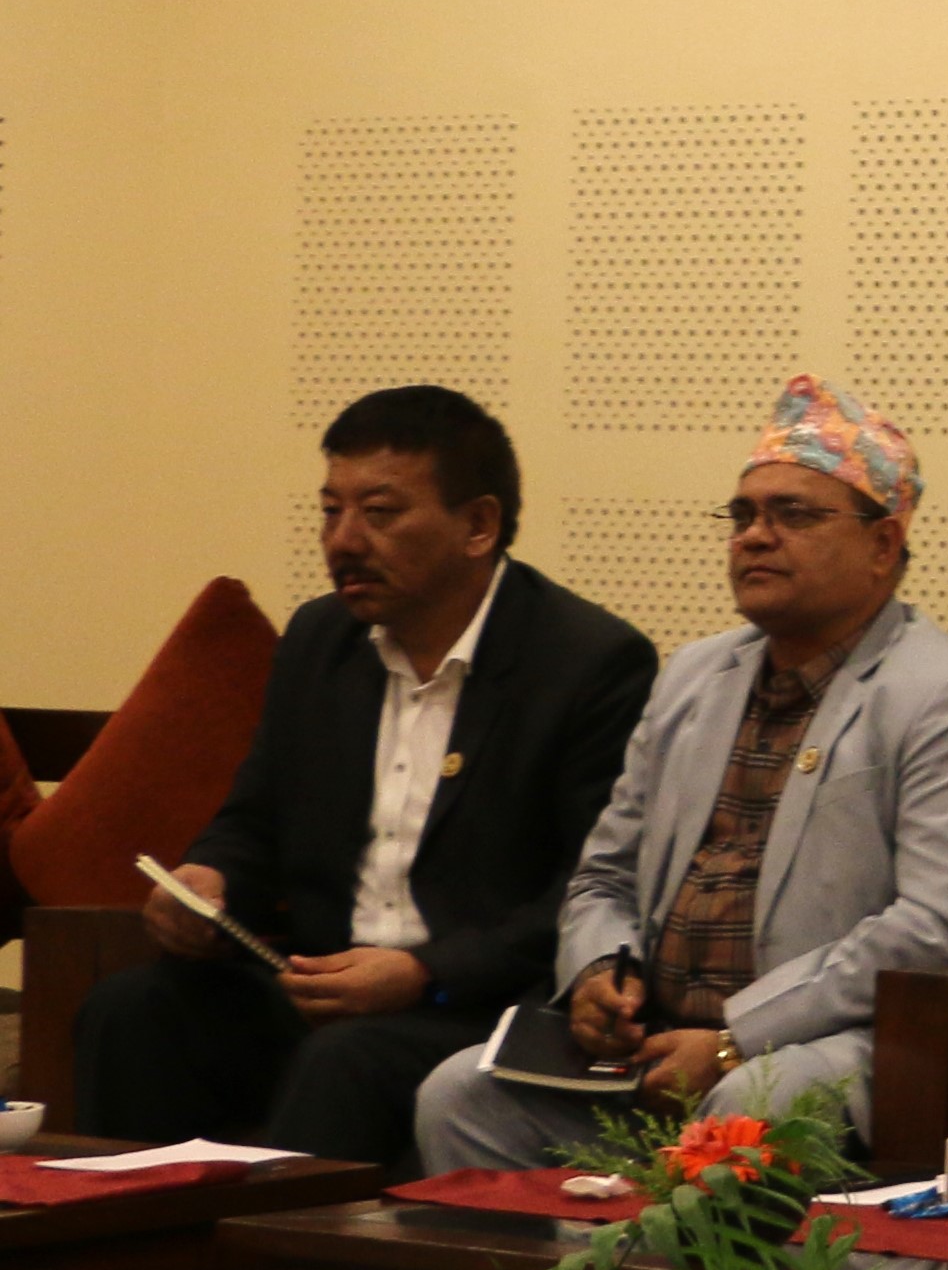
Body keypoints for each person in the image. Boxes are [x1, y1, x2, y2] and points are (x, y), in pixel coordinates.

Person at [411, 377, 948, 1171]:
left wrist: (739, 1037)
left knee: (747, 1109)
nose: (754, 536)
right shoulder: (695, 677)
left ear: (884, 546)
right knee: (462, 1092)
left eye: (794, 515)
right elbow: (604, 875)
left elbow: (945, 928)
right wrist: (604, 970)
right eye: (743, 515)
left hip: (853, 1043)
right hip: (664, 1039)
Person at [78, 387, 654, 1171]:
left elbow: (585, 887)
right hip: (316, 983)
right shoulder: (322, 640)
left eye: (379, 513)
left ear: (478, 525)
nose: (344, 540)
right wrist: (210, 879)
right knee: (134, 1009)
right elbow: (254, 819)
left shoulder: (586, 662)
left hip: (471, 1008)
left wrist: (423, 971)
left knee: (347, 1060)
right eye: (329, 511)